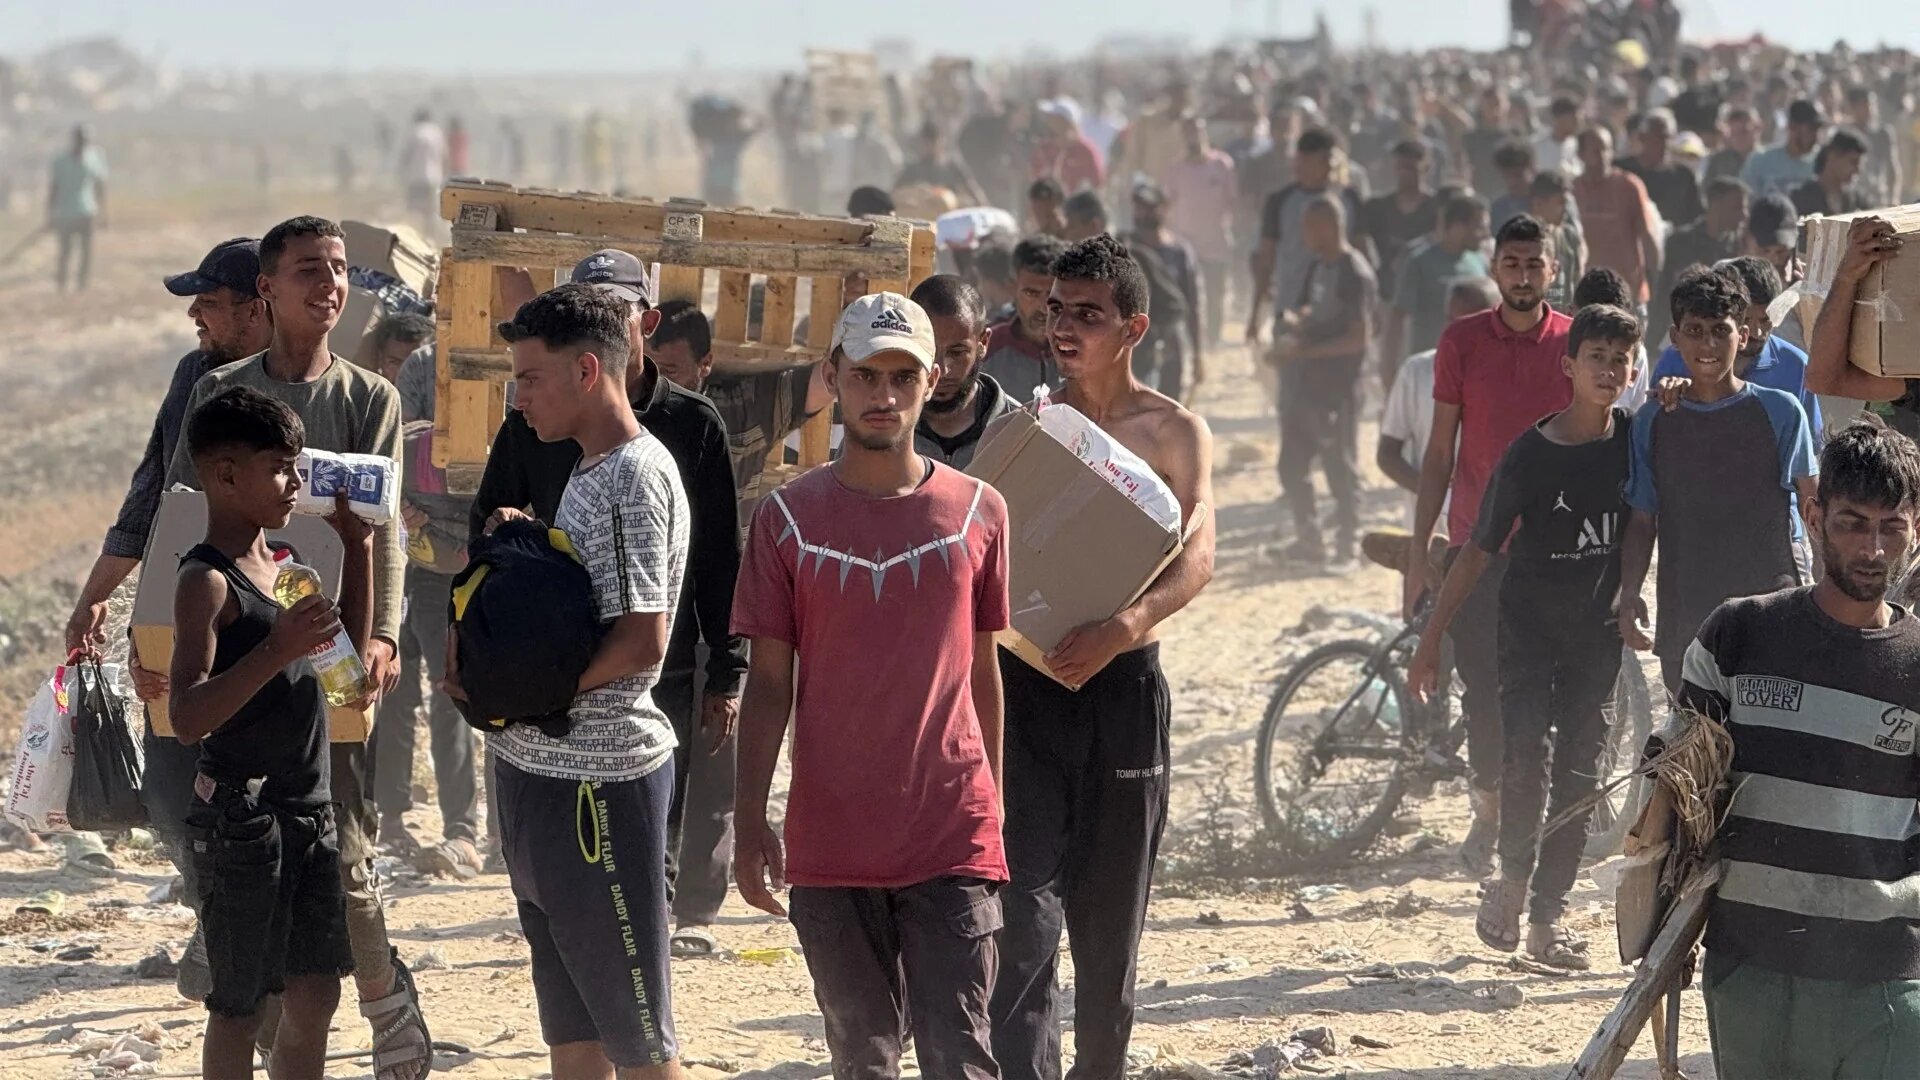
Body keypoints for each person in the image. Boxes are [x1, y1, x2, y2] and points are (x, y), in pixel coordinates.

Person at [165, 217, 427, 1080]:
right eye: (310, 270)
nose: (331, 285)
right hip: (247, 651)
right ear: (266, 289)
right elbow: (177, 519)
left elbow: (381, 530)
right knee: (246, 895)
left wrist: (383, 633)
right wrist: (149, 636)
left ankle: (383, 1004)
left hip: (337, 654)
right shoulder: (222, 396)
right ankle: (265, 1009)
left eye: (342, 271)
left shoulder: (368, 400)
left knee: (342, 844)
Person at [731, 291, 1010, 1080]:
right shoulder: (787, 520)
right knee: (864, 1057)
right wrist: (751, 821)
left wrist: (996, 816)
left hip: (951, 831)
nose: (882, 395)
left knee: (961, 1056)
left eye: (901, 377)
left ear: (931, 383)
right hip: (832, 842)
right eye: (864, 376)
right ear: (833, 377)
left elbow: (982, 669)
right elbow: (770, 681)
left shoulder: (978, 514)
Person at [991, 235, 1216, 1080]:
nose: (1064, 328)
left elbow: (1197, 556)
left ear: (1134, 326)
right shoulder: (1036, 429)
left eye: (1088, 314)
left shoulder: (1171, 431)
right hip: (1027, 691)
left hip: (1122, 696)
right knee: (1022, 919)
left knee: (1109, 931)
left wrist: (1121, 628)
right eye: (1055, 311)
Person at [473, 255, 744, 943]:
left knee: (636, 887)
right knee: (572, 941)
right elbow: (492, 527)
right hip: (552, 706)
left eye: (617, 307)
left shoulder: (653, 455)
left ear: (641, 322)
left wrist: (729, 668)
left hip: (646, 683)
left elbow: (712, 562)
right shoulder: (540, 427)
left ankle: (658, 918)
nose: (524, 398)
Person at [467, 283, 689, 1078]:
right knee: (573, 1032)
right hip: (543, 778)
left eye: (528, 378)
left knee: (637, 1039)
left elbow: (640, 639)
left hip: (598, 785)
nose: (517, 398)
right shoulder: (592, 471)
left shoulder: (632, 478)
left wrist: (529, 699)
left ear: (589, 369)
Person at [1670, 416, 1920, 1079]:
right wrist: (1664, 931)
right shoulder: (1737, 636)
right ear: (1813, 514)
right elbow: (1676, 800)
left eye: (1890, 526)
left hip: (1885, 982)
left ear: (1915, 527)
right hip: (1754, 972)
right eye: (1851, 522)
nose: (1872, 549)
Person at [65, 236, 273, 1000]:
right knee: (168, 791)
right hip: (181, 612)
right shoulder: (195, 376)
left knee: (264, 791)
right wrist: (97, 597)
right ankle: (216, 915)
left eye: (209, 302)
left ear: (256, 307)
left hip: (272, 626)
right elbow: (151, 489)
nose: (194, 315)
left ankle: (254, 945)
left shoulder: (298, 384)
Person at [1409, 303, 1640, 970]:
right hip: (1529, 631)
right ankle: (1509, 884)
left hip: (1597, 640)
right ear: (1568, 367)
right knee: (1526, 760)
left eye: (1620, 359)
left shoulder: (1636, 439)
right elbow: (1476, 552)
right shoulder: (1530, 456)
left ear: (1632, 370)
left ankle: (1545, 921)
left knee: (1582, 775)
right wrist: (1431, 640)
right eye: (1596, 357)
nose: (1608, 369)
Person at [169, 388, 371, 1079]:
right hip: (242, 820)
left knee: (317, 993)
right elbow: (187, 715)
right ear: (225, 475)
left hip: (307, 808)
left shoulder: (284, 570)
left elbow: (350, 679)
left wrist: (357, 549)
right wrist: (275, 652)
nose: (295, 483)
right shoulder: (206, 581)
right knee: (240, 1006)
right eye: (279, 468)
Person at [1404, 214, 1572, 875]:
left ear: (1552, 271)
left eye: (1535, 264)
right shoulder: (1461, 342)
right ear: (1494, 268)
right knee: (1483, 693)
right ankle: (1491, 813)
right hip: (1478, 548)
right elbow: (1439, 453)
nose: (1524, 274)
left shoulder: (1574, 342)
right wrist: (1421, 553)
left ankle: (1534, 828)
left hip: (1555, 553)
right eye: (1512, 263)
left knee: (1549, 694)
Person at [1618, 268, 1818, 694]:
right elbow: (1642, 519)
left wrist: (1823, 598)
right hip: (1686, 614)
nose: (1707, 344)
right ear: (1675, 337)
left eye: (1720, 331)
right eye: (1694, 331)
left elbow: (1812, 506)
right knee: (1694, 746)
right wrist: (1630, 592)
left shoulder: (1780, 412)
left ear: (1742, 335)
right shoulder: (1654, 419)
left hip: (1769, 611)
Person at [1272, 195, 1377, 567]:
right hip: (1306, 384)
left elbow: (1359, 336)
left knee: (1339, 463)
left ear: (1330, 226)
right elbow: (1306, 308)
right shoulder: (1319, 265)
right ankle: (1309, 539)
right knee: (1293, 463)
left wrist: (1305, 352)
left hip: (1339, 387)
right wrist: (1293, 323)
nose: (1306, 233)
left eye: (1311, 226)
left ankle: (1349, 543)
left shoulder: (1354, 272)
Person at [1650, 256, 1824, 437]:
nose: (1757, 332)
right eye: (1747, 320)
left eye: (1767, 320)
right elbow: (1653, 430)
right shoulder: (1675, 360)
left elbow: (1808, 447)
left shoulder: (1796, 367)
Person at [1377, 277, 1499, 530]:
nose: (1462, 332)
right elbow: (1387, 454)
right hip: (1430, 532)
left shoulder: (1512, 376)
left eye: (1474, 322)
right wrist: (1433, 491)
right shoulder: (1417, 372)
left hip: (1490, 531)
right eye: (1454, 321)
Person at [1247, 128, 1368, 359]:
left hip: (1339, 315)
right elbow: (1265, 260)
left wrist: (1369, 309)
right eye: (1300, 160)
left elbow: (1361, 253)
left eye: (1310, 161)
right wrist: (1255, 314)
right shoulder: (1280, 201)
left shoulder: (1349, 199)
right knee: (1290, 380)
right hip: (1291, 311)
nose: (1300, 167)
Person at [913, 274, 1019, 469]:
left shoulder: (1019, 433)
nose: (942, 370)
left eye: (957, 352)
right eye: (930, 351)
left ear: (983, 342)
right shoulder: (883, 427)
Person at [1160, 114, 1237, 347]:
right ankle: (1192, 340)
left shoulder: (1222, 165)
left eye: (1197, 131)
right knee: (1188, 295)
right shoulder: (1175, 169)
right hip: (1185, 244)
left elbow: (1232, 202)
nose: (1193, 137)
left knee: (1215, 293)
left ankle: (1213, 338)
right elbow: (1167, 205)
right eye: (1188, 132)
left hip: (1215, 243)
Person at [1125, 182, 1207, 399]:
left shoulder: (1179, 253)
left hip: (1170, 340)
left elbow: (1192, 305)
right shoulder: (1124, 248)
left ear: (1164, 208)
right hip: (1134, 342)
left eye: (1150, 207)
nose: (1144, 213)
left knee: (1170, 402)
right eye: (1139, 207)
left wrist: (1198, 353)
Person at [1390, 194, 1492, 365]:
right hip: (1430, 367)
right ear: (1458, 227)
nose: (1486, 235)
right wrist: (1389, 370)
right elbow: (1397, 319)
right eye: (1479, 228)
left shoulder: (1480, 261)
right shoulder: (1419, 262)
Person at [1573, 127, 1661, 314]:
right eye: (1595, 150)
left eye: (1607, 149)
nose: (1603, 155)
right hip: (1587, 295)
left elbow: (1647, 234)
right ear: (1581, 154)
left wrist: (1655, 279)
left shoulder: (1629, 186)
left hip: (1628, 293)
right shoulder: (1573, 190)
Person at [981, 234, 1067, 400]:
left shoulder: (1083, 349)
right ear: (1013, 288)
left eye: (1051, 294)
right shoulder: (988, 348)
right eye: (1031, 293)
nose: (1043, 307)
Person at [1361, 140, 1440, 315]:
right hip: (1385, 294)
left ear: (1426, 167)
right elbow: (1362, 246)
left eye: (1410, 166)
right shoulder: (1376, 208)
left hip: (1425, 297)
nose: (1404, 172)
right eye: (1400, 166)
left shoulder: (1439, 209)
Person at [1616, 108, 1702, 230]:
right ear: (1642, 138)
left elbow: (1695, 218)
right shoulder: (1622, 171)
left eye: (1666, 137)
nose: (1663, 143)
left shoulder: (1683, 177)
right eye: (1657, 137)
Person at [47, 124, 107, 292]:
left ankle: (81, 284)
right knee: (65, 252)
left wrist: (104, 212)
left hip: (87, 211)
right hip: (65, 213)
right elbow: (54, 188)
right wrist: (50, 214)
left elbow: (99, 186)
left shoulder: (95, 158)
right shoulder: (61, 160)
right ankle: (61, 283)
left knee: (86, 252)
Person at [1742, 98, 1824, 198]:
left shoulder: (1822, 164)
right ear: (1792, 127)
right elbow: (1746, 201)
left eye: (1818, 129)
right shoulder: (1760, 161)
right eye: (1812, 128)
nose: (1816, 136)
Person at [897, 120, 988, 207]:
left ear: (940, 142)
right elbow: (896, 192)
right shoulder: (912, 170)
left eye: (933, 142)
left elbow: (972, 189)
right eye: (926, 143)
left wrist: (982, 205)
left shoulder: (951, 167)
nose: (929, 147)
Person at [1530, 172, 1585, 312]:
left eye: (1567, 203)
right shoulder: (1523, 239)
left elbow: (1577, 280)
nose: (1566, 210)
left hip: (1565, 322)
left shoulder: (1569, 236)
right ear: (1538, 204)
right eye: (1560, 203)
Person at [1790, 127, 1871, 217]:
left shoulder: (1857, 202)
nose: (1857, 170)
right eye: (1853, 162)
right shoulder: (1801, 198)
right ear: (1832, 156)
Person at [1845, 84, 1904, 207]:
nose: (1869, 108)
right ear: (1853, 107)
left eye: (1871, 104)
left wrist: (1894, 197)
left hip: (1877, 196)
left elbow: (1892, 168)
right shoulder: (1844, 135)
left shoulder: (1883, 134)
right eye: (1863, 104)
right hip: (1852, 197)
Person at [1030, 99, 1104, 194]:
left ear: (1066, 123)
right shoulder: (1045, 149)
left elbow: (1098, 185)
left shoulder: (1086, 151)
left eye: (1053, 118)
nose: (1048, 121)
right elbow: (1033, 178)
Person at [399, 110, 446, 229]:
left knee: (414, 210)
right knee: (430, 210)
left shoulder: (414, 132)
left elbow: (406, 155)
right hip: (434, 176)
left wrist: (402, 171)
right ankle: (430, 234)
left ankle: (415, 235)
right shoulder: (437, 132)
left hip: (416, 176)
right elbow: (444, 155)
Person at [1705, 104, 1761, 183]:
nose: (1738, 138)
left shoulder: (1769, 161)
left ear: (1758, 128)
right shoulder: (1719, 162)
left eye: (1744, 132)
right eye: (1733, 133)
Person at [1533, 96, 1582, 177]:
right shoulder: (1536, 146)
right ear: (1560, 119)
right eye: (1574, 119)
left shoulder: (1578, 146)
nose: (1578, 124)